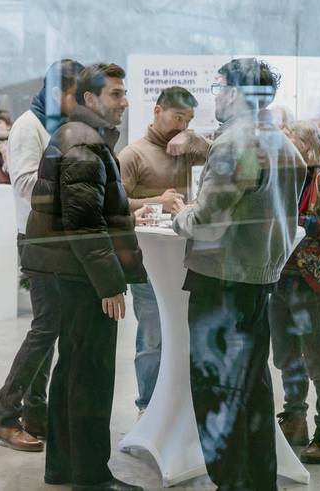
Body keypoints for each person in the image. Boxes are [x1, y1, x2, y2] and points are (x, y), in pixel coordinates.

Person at [172, 58, 306, 490]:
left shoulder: (236, 141)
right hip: (259, 278)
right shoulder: (283, 142)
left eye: (219, 88)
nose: (216, 98)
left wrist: (180, 216)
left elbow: (209, 220)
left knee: (216, 388)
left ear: (235, 92)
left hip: (222, 279)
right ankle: (257, 479)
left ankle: (229, 480)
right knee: (252, 386)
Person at [22, 62, 146, 491]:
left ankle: (63, 468)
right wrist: (110, 283)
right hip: (81, 275)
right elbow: (83, 221)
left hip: (67, 271)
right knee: (90, 375)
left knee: (72, 370)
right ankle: (92, 477)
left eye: (123, 93)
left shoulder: (80, 138)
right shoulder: (84, 144)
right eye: (115, 94)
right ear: (89, 100)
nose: (124, 101)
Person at [0, 58, 84, 451]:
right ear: (58, 90)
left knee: (50, 327)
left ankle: (36, 412)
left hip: (54, 240)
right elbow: (26, 182)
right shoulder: (30, 125)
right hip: (38, 239)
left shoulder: (56, 125)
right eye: (76, 92)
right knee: (46, 328)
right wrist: (78, 189)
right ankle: (3, 417)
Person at [117, 85, 209, 416]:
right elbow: (114, 204)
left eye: (188, 119)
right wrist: (158, 201)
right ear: (157, 111)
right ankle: (147, 409)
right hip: (146, 263)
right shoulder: (132, 155)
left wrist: (193, 138)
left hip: (186, 258)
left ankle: (177, 407)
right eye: (177, 117)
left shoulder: (184, 148)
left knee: (184, 335)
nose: (181, 124)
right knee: (153, 338)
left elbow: (222, 158)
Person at [271, 121, 320, 464]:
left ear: (307, 145)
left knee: (319, 360)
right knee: (286, 356)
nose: (281, 146)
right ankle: (295, 418)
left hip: (311, 283)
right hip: (279, 279)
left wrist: (304, 223)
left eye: (289, 140)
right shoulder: (283, 178)